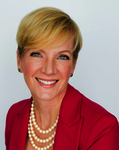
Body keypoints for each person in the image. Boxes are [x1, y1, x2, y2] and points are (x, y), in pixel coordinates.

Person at [5, 7, 119, 150]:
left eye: (62, 57)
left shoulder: (102, 128)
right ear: (19, 60)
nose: (48, 70)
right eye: (37, 54)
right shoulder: (14, 114)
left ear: (73, 66)